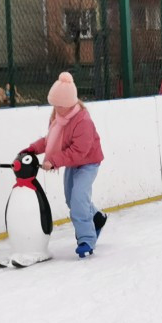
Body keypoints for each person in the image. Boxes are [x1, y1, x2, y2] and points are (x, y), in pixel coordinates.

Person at [25, 72, 106, 258]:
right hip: (73, 163)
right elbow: (49, 141)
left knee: (78, 199)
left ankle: (86, 239)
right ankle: (97, 218)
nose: (54, 108)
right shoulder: (59, 119)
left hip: (88, 163)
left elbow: (79, 152)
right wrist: (30, 150)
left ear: (68, 104)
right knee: (72, 199)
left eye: (58, 105)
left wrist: (53, 161)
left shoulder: (83, 121)